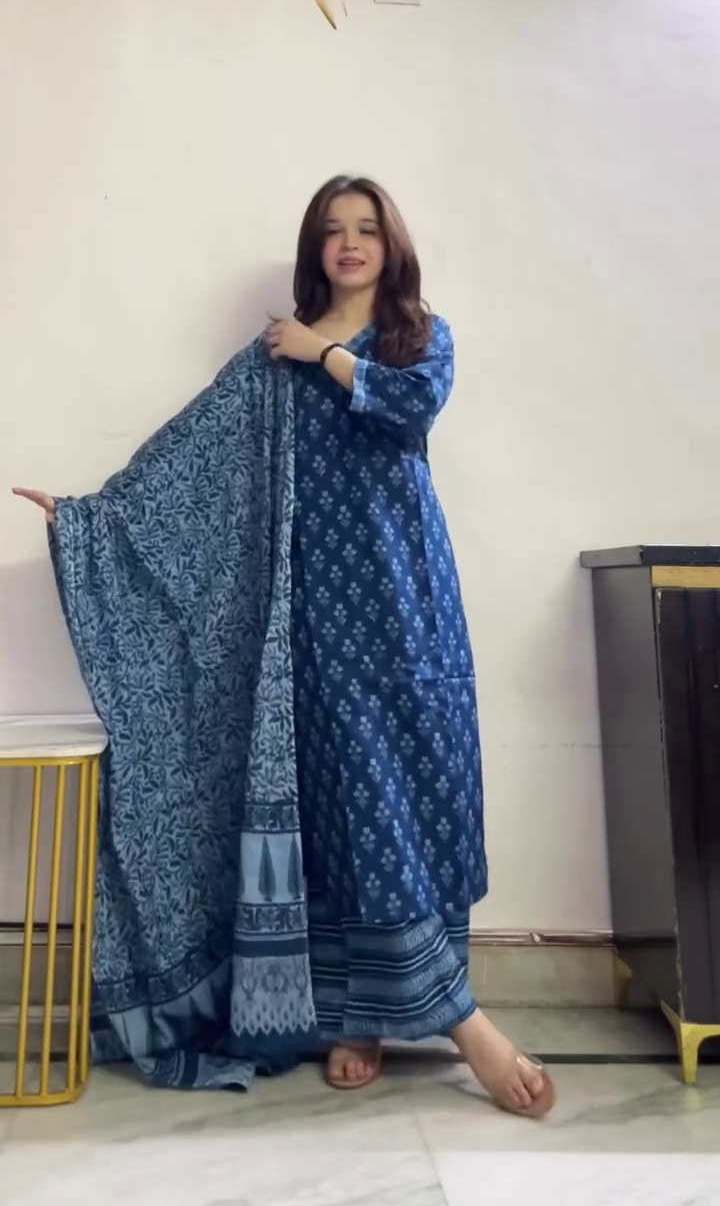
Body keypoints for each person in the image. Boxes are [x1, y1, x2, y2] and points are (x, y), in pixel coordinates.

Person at [14, 175, 554, 1117]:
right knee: (345, 805)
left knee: (410, 798)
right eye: (333, 230)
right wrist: (92, 520)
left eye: (366, 228)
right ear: (315, 249)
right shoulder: (276, 357)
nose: (350, 243)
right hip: (317, 619)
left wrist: (327, 355)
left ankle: (386, 1014)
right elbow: (192, 463)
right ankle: (408, 1023)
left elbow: (411, 408)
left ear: (390, 244)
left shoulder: (417, 335)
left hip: (409, 601)